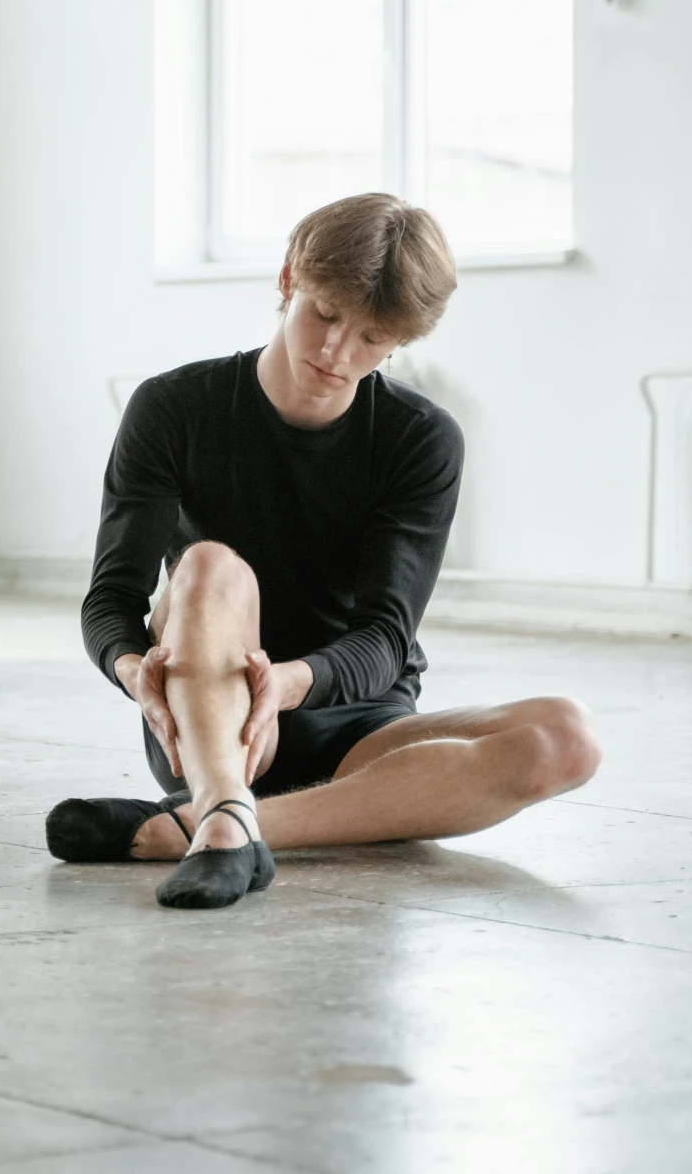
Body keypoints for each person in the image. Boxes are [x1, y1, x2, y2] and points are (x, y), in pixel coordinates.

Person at [47, 194, 602, 909]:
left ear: (402, 339)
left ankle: (206, 827)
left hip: (357, 725)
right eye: (327, 314)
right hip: (215, 709)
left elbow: (384, 635)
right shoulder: (173, 407)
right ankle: (221, 798)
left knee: (568, 737)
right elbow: (112, 598)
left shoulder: (421, 439)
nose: (339, 351)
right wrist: (135, 672)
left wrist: (287, 682)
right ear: (287, 281)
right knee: (209, 564)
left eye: (373, 336)